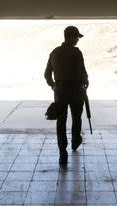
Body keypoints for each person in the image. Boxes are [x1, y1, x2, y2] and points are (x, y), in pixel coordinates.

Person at [44, 25, 89, 165]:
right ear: (70, 37)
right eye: (76, 37)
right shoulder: (76, 52)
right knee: (76, 119)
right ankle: (75, 141)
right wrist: (86, 82)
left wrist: (54, 86)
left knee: (61, 123)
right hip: (76, 91)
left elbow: (47, 74)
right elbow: (82, 71)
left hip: (60, 92)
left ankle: (62, 154)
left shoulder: (54, 52)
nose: (77, 40)